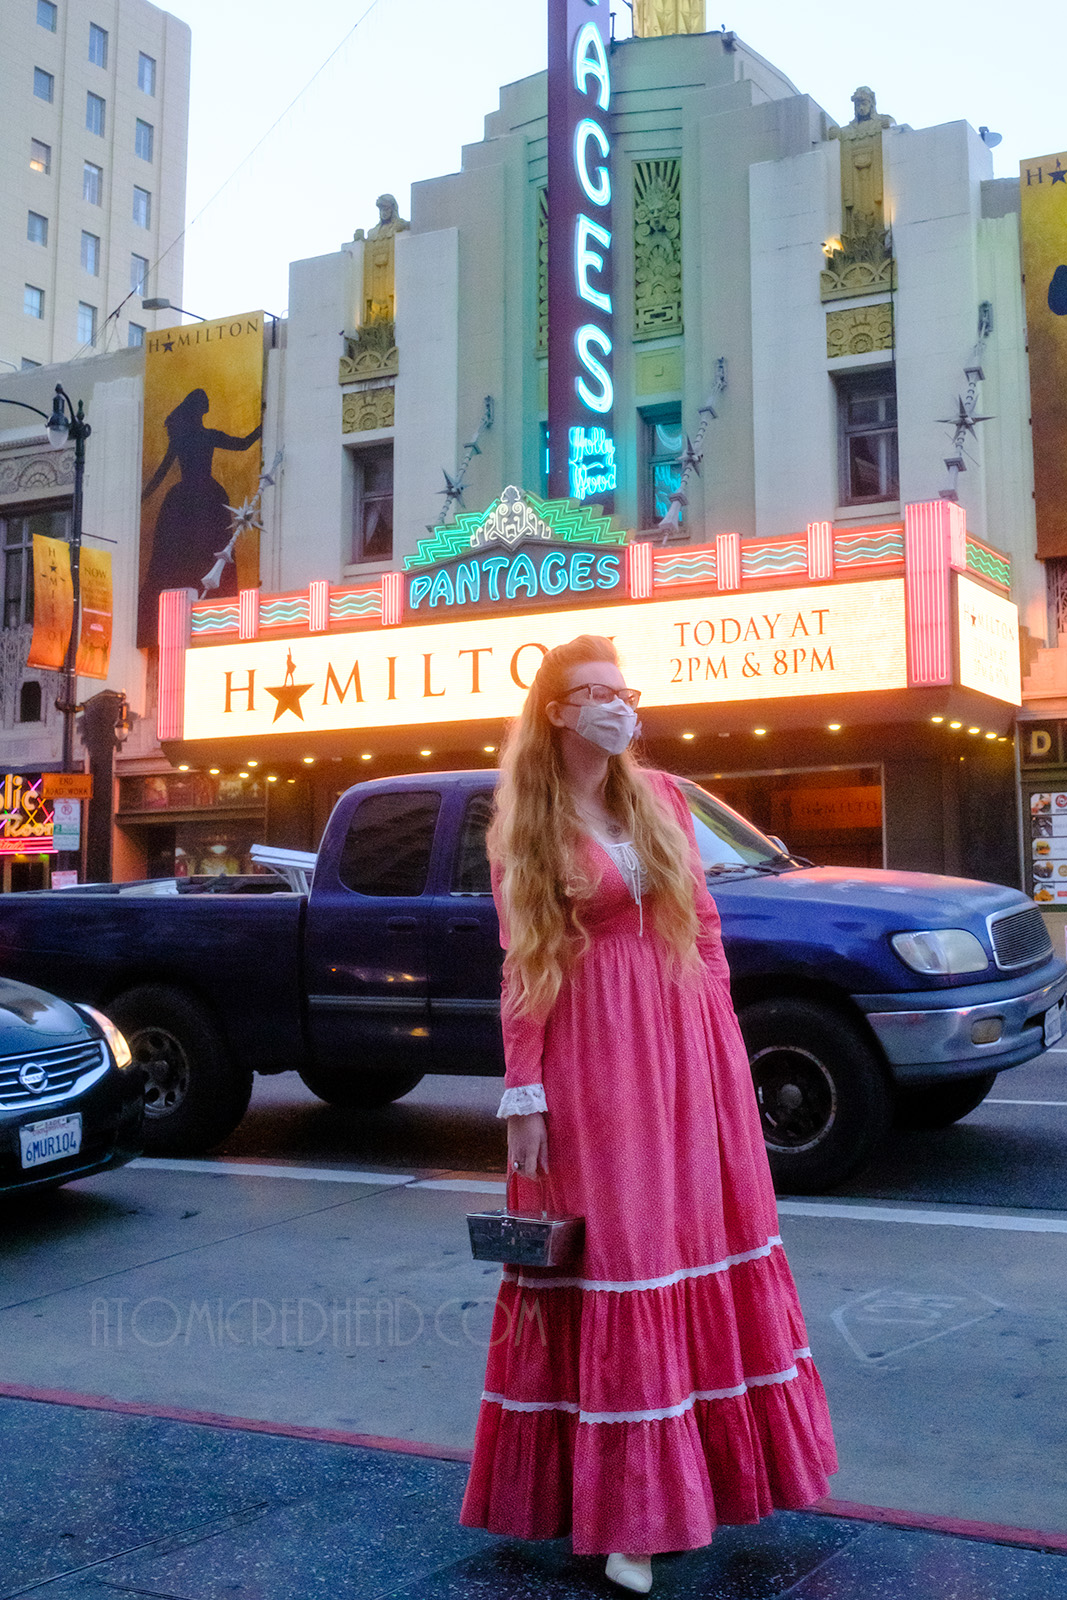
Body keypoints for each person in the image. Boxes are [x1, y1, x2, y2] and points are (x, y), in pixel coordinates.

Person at [460, 635, 836, 1594]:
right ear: (555, 711)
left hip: (684, 1041)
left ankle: (697, 1482)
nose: (618, 708)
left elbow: (703, 928)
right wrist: (525, 1092)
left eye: (624, 691)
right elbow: (525, 963)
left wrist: (720, 1053)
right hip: (595, 1052)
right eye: (595, 694)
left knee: (693, 1244)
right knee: (623, 1259)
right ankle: (627, 1516)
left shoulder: (661, 795)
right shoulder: (528, 825)